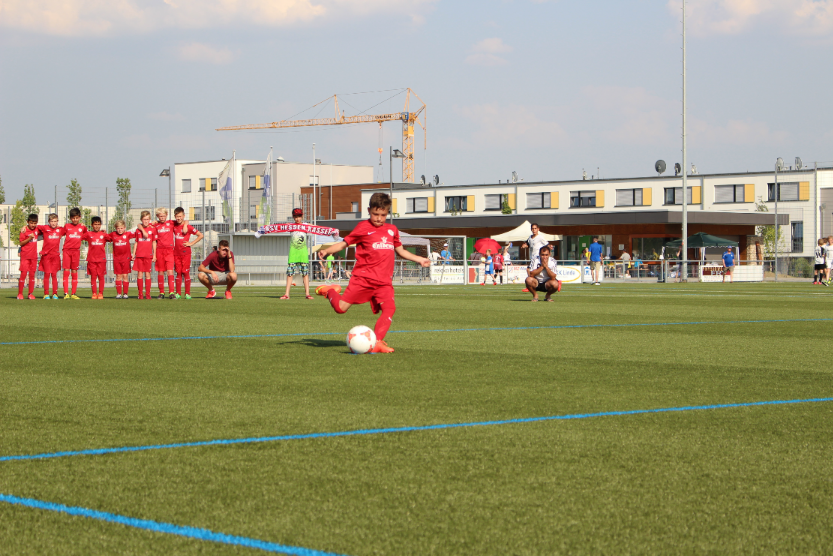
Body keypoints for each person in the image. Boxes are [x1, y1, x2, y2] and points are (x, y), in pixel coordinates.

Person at [315, 192, 430, 354]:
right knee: (340, 309)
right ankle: (330, 291)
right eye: (375, 214)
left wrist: (419, 259)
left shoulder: (392, 230)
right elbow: (344, 243)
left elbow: (401, 251)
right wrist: (327, 250)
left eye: (383, 215)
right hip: (363, 279)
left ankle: (378, 342)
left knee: (389, 309)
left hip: (384, 282)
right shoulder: (363, 227)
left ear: (387, 213)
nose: (379, 218)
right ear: (369, 211)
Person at [137, 208, 177, 299]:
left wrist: (185, 224)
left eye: (163, 216)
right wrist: (144, 227)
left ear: (166, 215)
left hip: (169, 250)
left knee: (170, 271)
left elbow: (183, 221)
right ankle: (161, 292)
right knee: (160, 271)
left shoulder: (171, 223)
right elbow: (139, 224)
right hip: (159, 250)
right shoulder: (155, 225)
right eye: (160, 216)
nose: (162, 217)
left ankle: (171, 292)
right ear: (157, 216)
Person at [282, 208, 313, 300]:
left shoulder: (306, 226)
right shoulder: (291, 226)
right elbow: (280, 227)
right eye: (295, 217)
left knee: (305, 274)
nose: (297, 218)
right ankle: (286, 294)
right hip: (293, 253)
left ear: (302, 216)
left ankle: (307, 294)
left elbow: (317, 228)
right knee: (290, 274)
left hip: (303, 254)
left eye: (299, 216)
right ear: (293, 217)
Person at [173, 207, 203, 299]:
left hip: (186, 253)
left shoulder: (188, 227)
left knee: (185, 272)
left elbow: (200, 235)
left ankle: (187, 293)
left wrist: (191, 243)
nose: (178, 218)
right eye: (177, 216)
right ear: (175, 216)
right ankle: (178, 293)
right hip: (176, 253)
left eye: (180, 216)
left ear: (183, 216)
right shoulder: (174, 225)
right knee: (178, 272)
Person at [61, 207, 88, 299]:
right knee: (66, 271)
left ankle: (73, 293)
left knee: (74, 271)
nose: (75, 219)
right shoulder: (67, 226)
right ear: (70, 218)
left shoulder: (82, 227)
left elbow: (88, 234)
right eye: (73, 218)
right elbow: (60, 233)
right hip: (66, 251)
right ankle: (66, 293)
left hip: (76, 251)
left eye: (76, 218)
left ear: (79, 217)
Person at [37, 213, 65, 299]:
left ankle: (55, 293)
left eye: (55, 221)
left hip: (55, 255)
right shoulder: (45, 228)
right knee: (47, 274)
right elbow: (34, 227)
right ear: (49, 221)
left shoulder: (60, 229)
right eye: (52, 221)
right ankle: (46, 294)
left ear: (57, 221)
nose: (53, 223)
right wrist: (24, 227)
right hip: (46, 255)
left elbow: (70, 230)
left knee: (54, 275)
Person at [83, 216, 111, 299]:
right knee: (93, 277)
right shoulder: (88, 234)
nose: (97, 226)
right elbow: (80, 237)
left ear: (101, 225)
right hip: (91, 259)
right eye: (95, 224)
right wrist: (83, 227)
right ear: (92, 225)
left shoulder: (103, 235)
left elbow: (111, 239)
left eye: (98, 224)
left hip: (101, 259)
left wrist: (106, 233)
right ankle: (94, 293)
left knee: (101, 276)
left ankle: (101, 293)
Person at [131, 211, 157, 300]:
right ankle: (140, 294)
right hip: (139, 255)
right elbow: (136, 242)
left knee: (148, 274)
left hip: (148, 255)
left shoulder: (152, 229)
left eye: (147, 219)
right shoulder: (138, 230)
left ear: (149, 220)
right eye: (144, 219)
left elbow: (154, 242)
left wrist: (154, 255)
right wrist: (133, 254)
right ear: (141, 219)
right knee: (139, 274)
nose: (146, 221)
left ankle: (148, 294)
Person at [17, 214, 39, 300]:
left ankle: (30, 294)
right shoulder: (24, 231)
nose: (33, 225)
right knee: (23, 274)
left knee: (32, 275)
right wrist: (29, 238)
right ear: (28, 222)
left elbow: (46, 228)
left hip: (33, 256)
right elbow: (21, 243)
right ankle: (20, 294)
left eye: (34, 223)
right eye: (31, 223)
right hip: (25, 256)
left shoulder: (37, 229)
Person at [110, 220, 134, 299]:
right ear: (116, 228)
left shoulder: (127, 234)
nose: (120, 230)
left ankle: (125, 293)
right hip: (117, 259)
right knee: (118, 276)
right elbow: (105, 237)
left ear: (124, 228)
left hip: (126, 258)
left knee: (125, 276)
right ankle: (119, 293)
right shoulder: (113, 234)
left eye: (121, 228)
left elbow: (137, 234)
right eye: (118, 228)